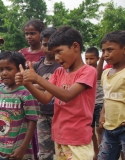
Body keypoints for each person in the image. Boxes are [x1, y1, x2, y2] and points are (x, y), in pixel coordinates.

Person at [15, 26, 97, 159]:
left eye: (59, 51)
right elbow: (45, 98)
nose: (57, 58)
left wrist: (37, 78)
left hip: (77, 137)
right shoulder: (59, 72)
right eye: (54, 53)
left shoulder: (88, 71)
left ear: (75, 46)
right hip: (60, 135)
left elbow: (68, 95)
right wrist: (27, 83)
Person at [0, 51, 40, 160]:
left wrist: (23, 148)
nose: (4, 73)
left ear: (19, 70)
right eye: (1, 69)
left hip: (17, 152)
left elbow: (32, 121)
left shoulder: (26, 93)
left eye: (9, 69)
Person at [33, 27, 60, 160]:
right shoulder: (37, 66)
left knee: (62, 149)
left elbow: (59, 86)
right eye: (45, 44)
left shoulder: (61, 65)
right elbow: (32, 86)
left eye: (51, 44)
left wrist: (40, 84)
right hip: (42, 112)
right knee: (44, 151)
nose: (48, 47)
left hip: (59, 113)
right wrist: (42, 84)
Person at [98, 31, 125, 160]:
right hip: (109, 128)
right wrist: (103, 114)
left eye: (110, 50)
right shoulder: (106, 73)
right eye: (103, 51)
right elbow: (107, 97)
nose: (106, 54)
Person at [85, 47, 104, 160]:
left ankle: (102, 153)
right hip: (89, 105)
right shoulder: (85, 71)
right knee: (90, 131)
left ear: (97, 58)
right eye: (87, 59)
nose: (89, 61)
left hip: (100, 104)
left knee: (100, 130)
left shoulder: (100, 70)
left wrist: (102, 59)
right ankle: (96, 153)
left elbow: (97, 74)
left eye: (92, 58)